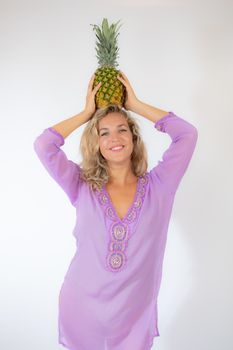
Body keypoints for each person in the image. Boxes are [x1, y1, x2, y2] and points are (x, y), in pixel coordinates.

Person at [33, 71, 198, 350]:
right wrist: (88, 112)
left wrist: (134, 105)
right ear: (96, 143)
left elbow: (187, 134)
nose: (114, 138)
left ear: (133, 137)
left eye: (122, 129)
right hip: (83, 308)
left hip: (133, 317)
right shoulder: (81, 185)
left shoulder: (161, 186)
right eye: (104, 132)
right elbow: (43, 145)